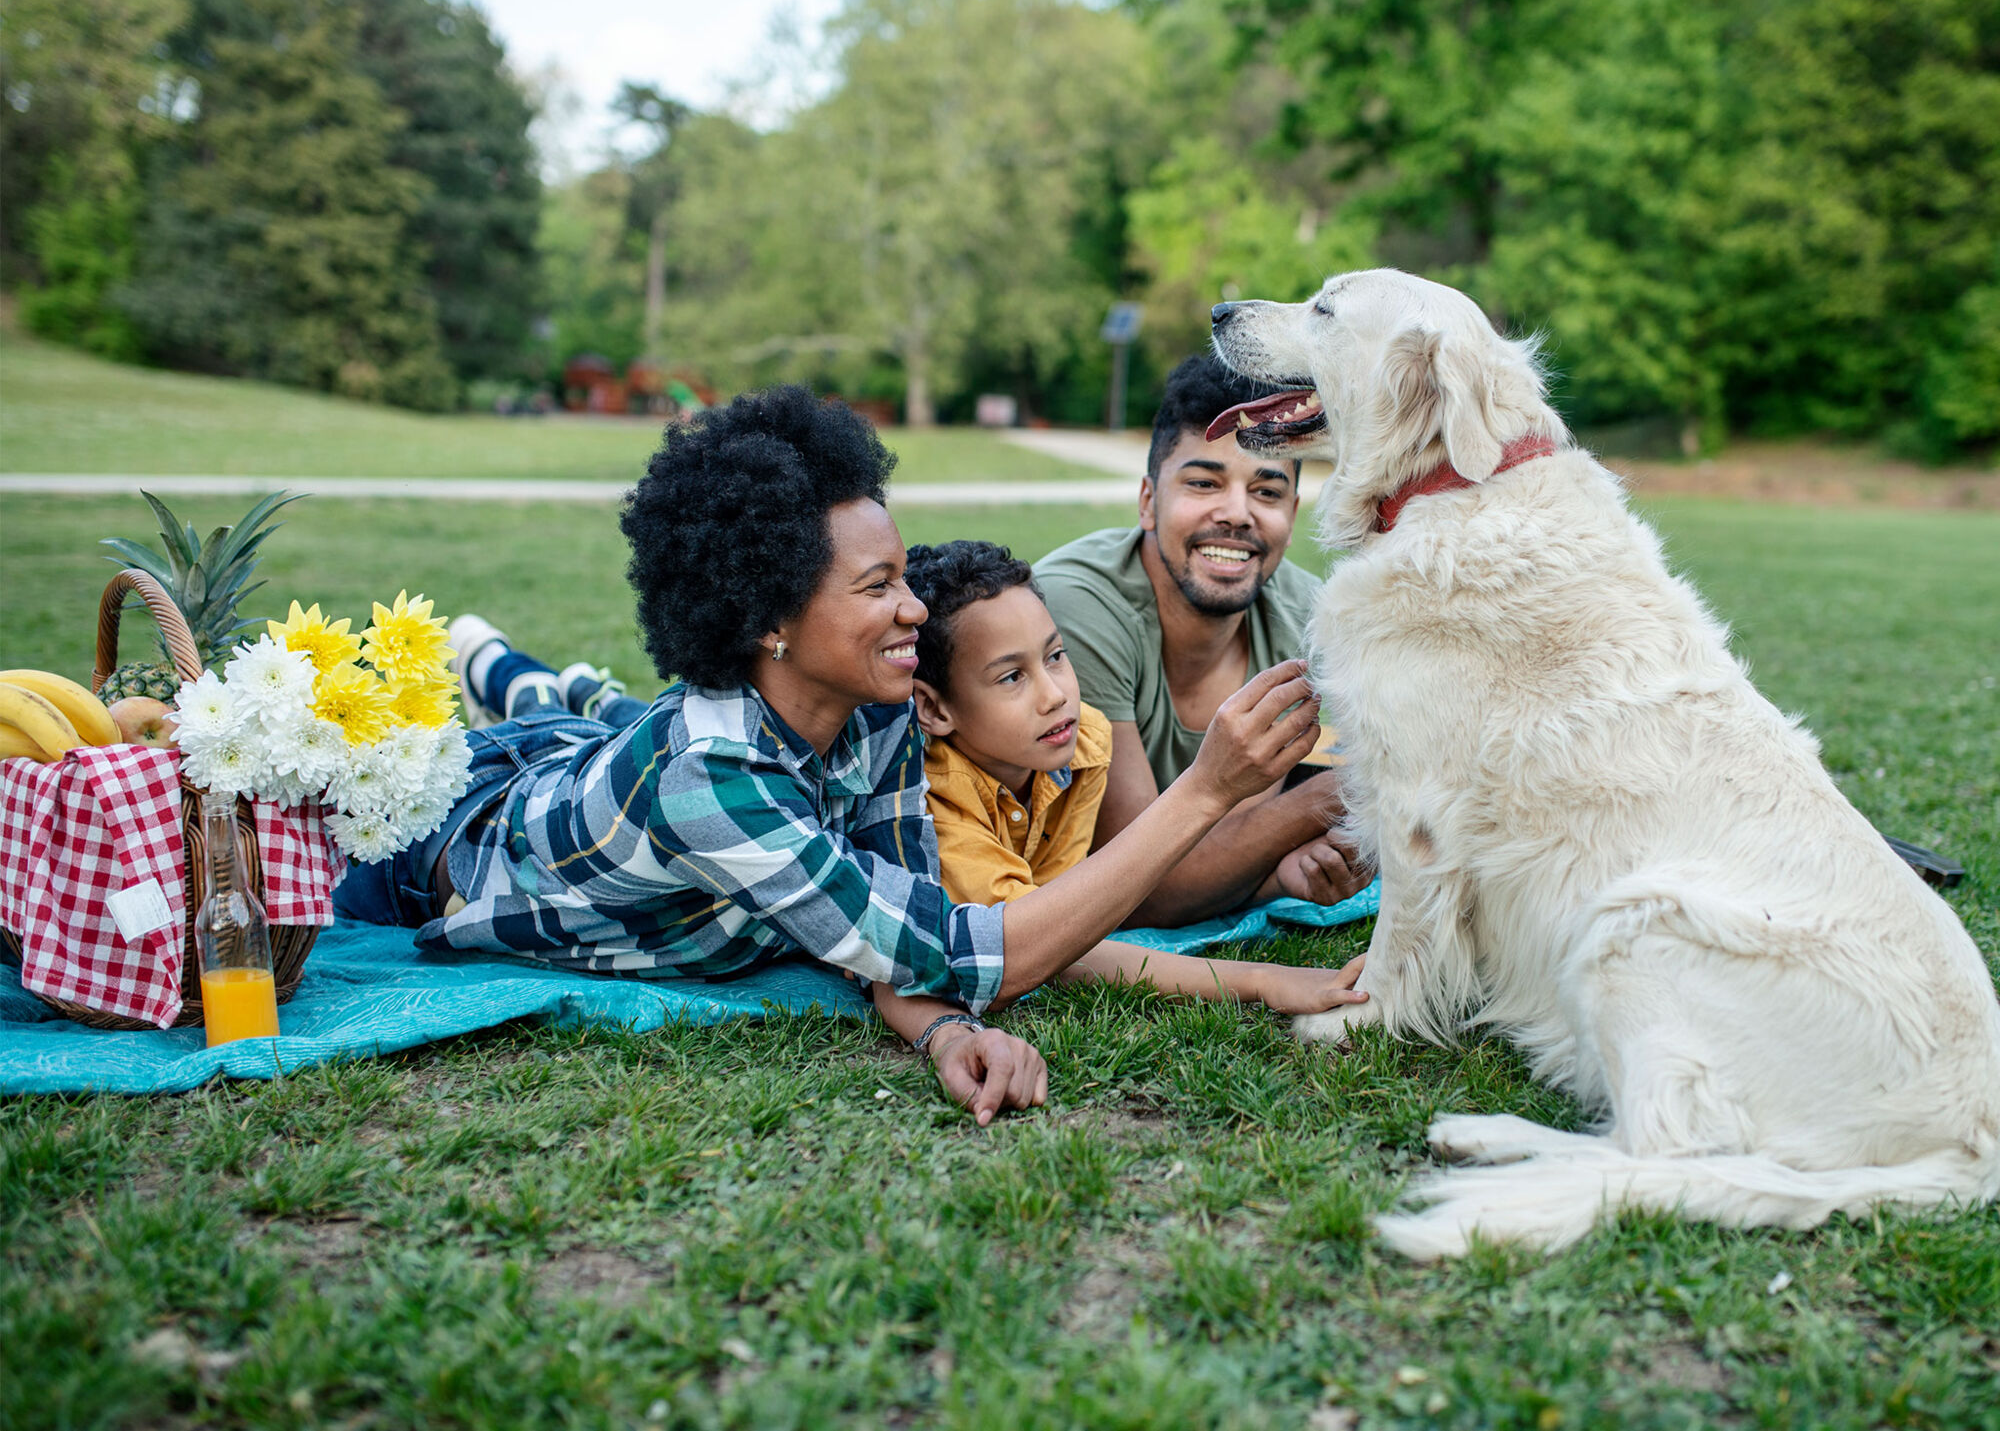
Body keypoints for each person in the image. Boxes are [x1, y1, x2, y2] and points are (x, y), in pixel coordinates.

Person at [331, 387, 1327, 1123]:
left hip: (600, 763)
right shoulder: (712, 785)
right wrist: (1208, 791)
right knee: (447, 773)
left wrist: (942, 1030)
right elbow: (981, 950)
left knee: (597, 721)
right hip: (448, 850)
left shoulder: (877, 707)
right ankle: (507, 677)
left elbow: (893, 919)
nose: (914, 609)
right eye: (878, 586)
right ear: (767, 617)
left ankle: (522, 673)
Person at [905, 538, 1367, 1011]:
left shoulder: (1083, 743)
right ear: (934, 709)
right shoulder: (935, 796)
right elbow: (1032, 947)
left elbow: (1071, 909)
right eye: (1011, 677)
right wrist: (1259, 979)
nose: (1055, 695)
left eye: (1056, 656)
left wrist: (1272, 883)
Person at [1035, 356, 1371, 927]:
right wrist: (1342, 795)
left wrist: (1276, 876)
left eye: (1266, 492)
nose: (1237, 513)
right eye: (1203, 483)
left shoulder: (1307, 617)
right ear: (1148, 500)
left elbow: (1233, 843)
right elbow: (1138, 888)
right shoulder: (1077, 609)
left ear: (1291, 513)